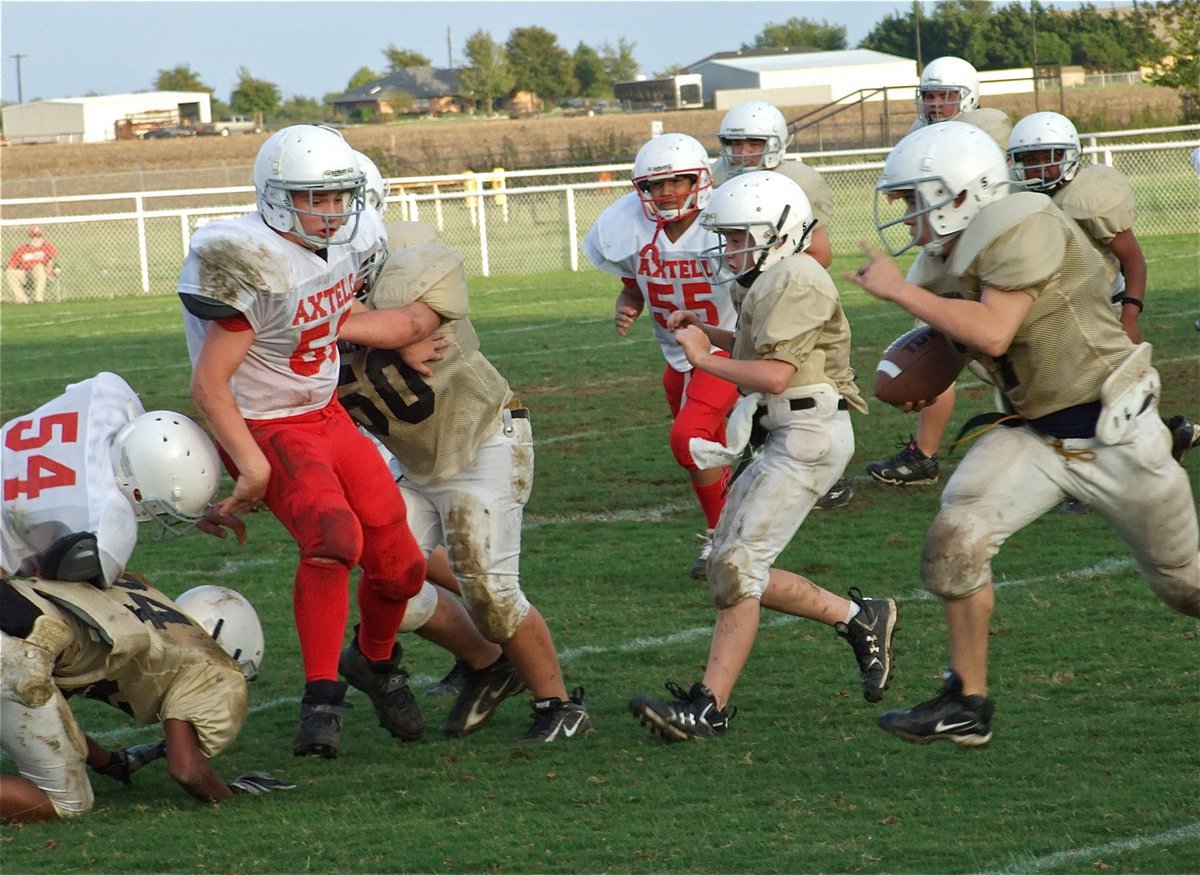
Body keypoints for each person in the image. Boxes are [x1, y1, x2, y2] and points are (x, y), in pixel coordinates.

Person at [846, 121, 1200, 746]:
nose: (904, 215)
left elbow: (994, 332)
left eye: (912, 198)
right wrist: (915, 375)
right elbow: (961, 343)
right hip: (1035, 433)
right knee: (953, 545)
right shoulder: (947, 255)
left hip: (1114, 433)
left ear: (963, 193)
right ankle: (968, 701)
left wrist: (903, 296)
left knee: (1186, 588)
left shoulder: (1024, 221)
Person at [178, 125, 430, 759]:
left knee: (402, 568)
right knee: (333, 539)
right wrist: (254, 467)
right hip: (267, 422)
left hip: (324, 414)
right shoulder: (248, 258)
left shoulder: (352, 237)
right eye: (314, 199)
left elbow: (328, 314)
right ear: (274, 197)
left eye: (340, 197)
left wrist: (407, 327)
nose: (332, 212)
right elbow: (209, 386)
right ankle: (321, 698)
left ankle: (373, 660)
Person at [628, 171, 899, 741]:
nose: (728, 248)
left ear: (780, 231)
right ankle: (860, 617)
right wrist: (706, 331)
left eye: (737, 236)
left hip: (808, 432)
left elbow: (773, 375)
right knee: (733, 561)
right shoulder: (775, 275)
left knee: (737, 567)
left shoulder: (797, 277)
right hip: (786, 430)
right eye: (725, 236)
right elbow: (762, 351)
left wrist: (703, 360)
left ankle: (710, 706)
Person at [338, 222, 591, 742]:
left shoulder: (410, 273)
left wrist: (361, 326)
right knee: (391, 584)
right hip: (416, 464)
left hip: (484, 444)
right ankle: (489, 664)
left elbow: (409, 317)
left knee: (491, 593)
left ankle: (561, 706)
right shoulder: (315, 318)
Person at [1, 572, 290, 823]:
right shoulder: (212, 665)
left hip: (14, 606)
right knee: (69, 802)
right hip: (20, 647)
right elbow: (187, 770)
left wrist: (109, 762)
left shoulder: (138, 594)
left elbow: (51, 708)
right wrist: (226, 798)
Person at [583, 133, 739, 581]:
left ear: (700, 180)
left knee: (688, 439)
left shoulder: (723, 222)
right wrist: (628, 301)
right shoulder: (632, 228)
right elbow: (635, 280)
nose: (666, 193)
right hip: (677, 357)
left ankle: (721, 539)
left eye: (677, 181)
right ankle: (736, 522)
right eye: (655, 186)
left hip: (723, 348)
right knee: (709, 447)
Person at [864, 57, 1014, 488]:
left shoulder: (989, 134)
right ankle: (924, 455)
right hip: (940, 249)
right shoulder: (921, 137)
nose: (935, 104)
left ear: (967, 97)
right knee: (933, 340)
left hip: (988, 247)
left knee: (1000, 353)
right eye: (929, 95)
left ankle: (1043, 430)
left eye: (945, 95)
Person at [711, 100, 851, 510]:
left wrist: (773, 278)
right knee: (758, 359)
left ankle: (828, 472)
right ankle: (767, 449)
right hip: (752, 283)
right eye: (734, 144)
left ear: (774, 144)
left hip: (788, 290)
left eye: (753, 143)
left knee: (801, 374)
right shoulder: (724, 178)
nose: (742, 154)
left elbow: (819, 254)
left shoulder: (796, 181)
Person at [1, 371, 246, 590]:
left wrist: (191, 503)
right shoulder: (107, 519)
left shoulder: (109, 393)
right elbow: (53, 584)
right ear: (140, 491)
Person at [6, 226, 60, 304]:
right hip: (26, 275)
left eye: (38, 236)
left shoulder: (48, 247)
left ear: (42, 237)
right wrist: (10, 269)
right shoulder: (22, 249)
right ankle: (22, 300)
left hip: (43, 275)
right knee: (10, 272)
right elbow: (12, 265)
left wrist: (50, 270)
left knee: (38, 267)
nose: (35, 239)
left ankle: (38, 299)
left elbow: (51, 264)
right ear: (29, 238)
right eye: (33, 236)